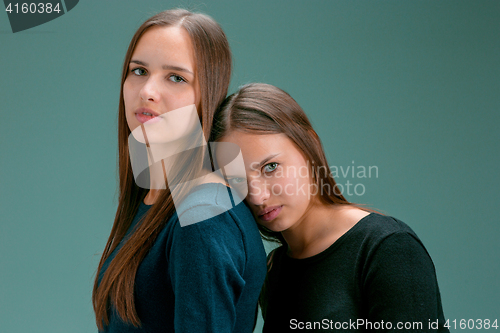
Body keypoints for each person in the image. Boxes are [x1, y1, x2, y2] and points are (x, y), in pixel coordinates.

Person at [210, 83, 449, 332]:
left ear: (309, 147)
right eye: (237, 180)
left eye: (271, 167)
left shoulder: (387, 248)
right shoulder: (273, 270)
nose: (257, 196)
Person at [92, 10, 266, 333]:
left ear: (206, 97)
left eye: (176, 77)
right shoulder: (153, 200)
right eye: (139, 71)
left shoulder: (203, 214)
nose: (147, 91)